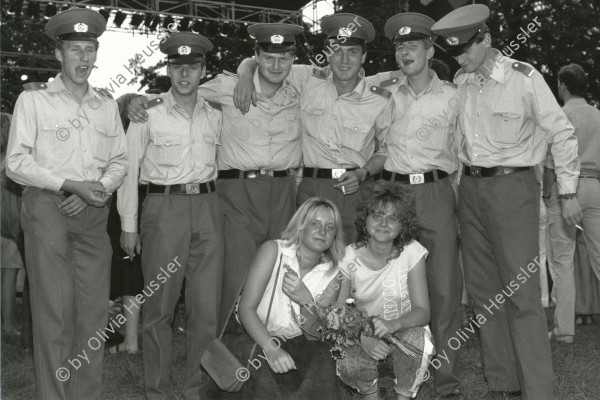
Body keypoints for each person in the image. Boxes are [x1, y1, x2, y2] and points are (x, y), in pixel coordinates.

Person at [432, 5, 581, 400]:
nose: (460, 61)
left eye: (465, 51)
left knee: (522, 295)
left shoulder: (523, 78)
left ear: (485, 39)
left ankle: (538, 391)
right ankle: (504, 385)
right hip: (471, 188)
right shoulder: (462, 83)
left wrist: (567, 191)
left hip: (512, 188)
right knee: (483, 293)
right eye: (455, 55)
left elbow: (561, 133)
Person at [126, 23, 305, 328]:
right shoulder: (224, 86)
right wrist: (139, 101)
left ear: (293, 58)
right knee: (234, 278)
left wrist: (248, 71)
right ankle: (227, 359)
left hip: (284, 191)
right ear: (256, 55)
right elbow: (180, 95)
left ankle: (274, 351)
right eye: (267, 57)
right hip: (238, 191)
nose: (276, 65)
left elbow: (342, 75)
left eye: (284, 57)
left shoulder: (303, 83)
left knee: (281, 274)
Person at [6, 8, 127, 400]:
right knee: (55, 315)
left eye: (90, 50)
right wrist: (70, 185)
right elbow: (16, 163)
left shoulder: (106, 105)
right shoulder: (34, 102)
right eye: (76, 50)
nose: (84, 59)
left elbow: (120, 161)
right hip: (48, 209)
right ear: (59, 54)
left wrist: (97, 187)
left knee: (93, 319)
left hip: (93, 209)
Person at [117, 31, 224, 400]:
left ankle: (197, 389)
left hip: (209, 208)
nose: (184, 75)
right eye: (177, 67)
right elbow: (128, 171)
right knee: (160, 307)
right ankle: (158, 391)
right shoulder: (147, 114)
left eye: (192, 68)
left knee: (205, 308)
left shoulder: (215, 115)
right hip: (164, 209)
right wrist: (129, 225)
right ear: (168, 69)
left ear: (203, 70)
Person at [368, 13, 463, 400]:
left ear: (429, 49)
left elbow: (464, 150)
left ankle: (446, 382)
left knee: (443, 290)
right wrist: (245, 69)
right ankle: (382, 373)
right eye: (399, 47)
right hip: (392, 195)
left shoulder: (454, 96)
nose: (405, 52)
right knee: (385, 288)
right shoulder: (382, 91)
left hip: (436, 193)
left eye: (412, 46)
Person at [235, 13, 393, 243]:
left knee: (353, 263)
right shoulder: (307, 79)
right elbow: (260, 59)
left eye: (353, 51)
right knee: (307, 262)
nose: (344, 60)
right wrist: (245, 76)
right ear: (328, 53)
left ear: (364, 56)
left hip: (356, 190)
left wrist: (363, 172)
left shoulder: (380, 99)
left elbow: (385, 149)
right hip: (312, 188)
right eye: (337, 50)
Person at [226, 197, 344, 399]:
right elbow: (246, 309)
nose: (322, 232)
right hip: (253, 334)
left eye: (330, 227)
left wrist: (306, 301)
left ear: (335, 236)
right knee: (261, 365)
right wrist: (271, 348)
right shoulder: (273, 250)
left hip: (298, 339)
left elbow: (314, 336)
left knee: (323, 356)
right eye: (315, 224)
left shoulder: (333, 272)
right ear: (300, 227)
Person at [335, 181, 434, 400]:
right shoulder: (348, 256)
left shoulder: (411, 251)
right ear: (365, 220)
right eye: (377, 216)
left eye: (392, 218)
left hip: (403, 329)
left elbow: (422, 311)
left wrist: (393, 325)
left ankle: (404, 393)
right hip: (365, 332)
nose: (383, 223)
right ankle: (370, 393)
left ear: (403, 225)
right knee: (347, 359)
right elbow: (339, 311)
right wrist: (362, 337)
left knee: (420, 342)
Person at [544, 63, 600, 341]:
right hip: (595, 187)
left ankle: (564, 331)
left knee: (563, 261)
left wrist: (545, 194)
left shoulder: (559, 116)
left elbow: (550, 164)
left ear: (562, 85)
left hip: (565, 188)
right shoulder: (599, 116)